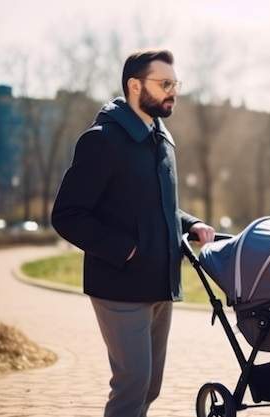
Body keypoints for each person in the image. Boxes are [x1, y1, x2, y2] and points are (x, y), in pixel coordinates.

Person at [51, 48, 215, 417]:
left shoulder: (161, 139)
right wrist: (127, 251)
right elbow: (67, 214)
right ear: (134, 86)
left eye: (175, 84)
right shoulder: (102, 140)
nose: (173, 92)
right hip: (119, 286)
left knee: (150, 386)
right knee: (132, 384)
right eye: (165, 84)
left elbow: (157, 205)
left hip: (160, 282)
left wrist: (191, 224)